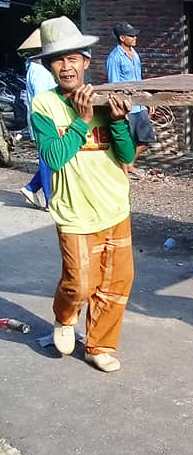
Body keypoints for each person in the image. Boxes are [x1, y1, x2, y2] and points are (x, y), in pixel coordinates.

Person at [30, 16, 136, 372]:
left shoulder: (104, 99)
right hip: (74, 212)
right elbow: (54, 158)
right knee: (79, 283)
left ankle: (98, 346)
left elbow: (127, 156)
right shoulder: (44, 106)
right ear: (50, 66)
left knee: (116, 283)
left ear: (86, 62)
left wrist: (119, 122)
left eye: (73, 58)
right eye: (58, 60)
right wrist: (80, 119)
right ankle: (65, 316)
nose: (66, 66)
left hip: (115, 205)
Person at [105, 21, 156, 179]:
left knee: (146, 139)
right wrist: (121, 109)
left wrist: (148, 101)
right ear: (122, 38)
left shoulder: (135, 54)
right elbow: (114, 85)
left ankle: (128, 165)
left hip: (139, 104)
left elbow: (139, 80)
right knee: (127, 140)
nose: (135, 38)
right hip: (127, 106)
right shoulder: (115, 58)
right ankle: (125, 169)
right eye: (131, 36)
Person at [17, 28, 57, 210]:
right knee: (47, 159)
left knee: (50, 158)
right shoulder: (39, 71)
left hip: (44, 120)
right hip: (44, 120)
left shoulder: (37, 68)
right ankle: (49, 199)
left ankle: (31, 188)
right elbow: (43, 100)